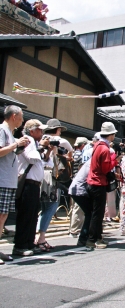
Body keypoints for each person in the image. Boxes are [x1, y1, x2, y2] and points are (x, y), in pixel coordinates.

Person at [13, 119, 49, 256]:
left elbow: (46, 162)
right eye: (39, 130)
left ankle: (29, 243)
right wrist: (41, 147)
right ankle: (20, 245)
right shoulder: (27, 140)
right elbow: (32, 158)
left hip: (34, 184)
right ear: (32, 131)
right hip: (27, 183)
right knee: (26, 215)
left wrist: (45, 149)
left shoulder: (34, 142)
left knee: (33, 215)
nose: (42, 132)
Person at [36, 118, 73, 249]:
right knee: (52, 206)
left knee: (44, 207)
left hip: (40, 175)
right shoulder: (59, 141)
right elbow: (71, 151)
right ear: (57, 130)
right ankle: (40, 237)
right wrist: (66, 157)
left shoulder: (42, 139)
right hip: (51, 175)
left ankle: (39, 236)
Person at [0, 105, 30, 264]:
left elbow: (10, 152)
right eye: (21, 116)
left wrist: (19, 146)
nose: (23, 119)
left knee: (3, 215)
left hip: (8, 180)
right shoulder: (2, 130)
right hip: (2, 179)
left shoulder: (11, 134)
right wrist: (15, 144)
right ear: (13, 116)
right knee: (0, 215)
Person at [86, 122, 118, 249]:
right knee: (97, 214)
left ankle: (98, 238)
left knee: (96, 212)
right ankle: (92, 239)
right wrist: (115, 160)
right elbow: (105, 169)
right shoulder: (105, 149)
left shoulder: (97, 146)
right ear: (111, 134)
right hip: (99, 182)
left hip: (93, 181)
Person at [69, 137, 88, 238]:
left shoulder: (74, 153)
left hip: (74, 182)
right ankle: (75, 230)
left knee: (75, 207)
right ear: (83, 145)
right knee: (78, 207)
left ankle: (73, 228)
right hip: (79, 184)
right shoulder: (80, 154)